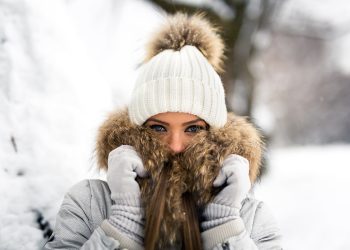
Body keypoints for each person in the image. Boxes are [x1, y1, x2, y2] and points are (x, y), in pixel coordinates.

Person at [44, 12, 282, 250]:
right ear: (136, 131)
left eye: (193, 129)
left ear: (215, 134)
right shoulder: (89, 204)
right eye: (158, 127)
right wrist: (122, 223)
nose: (176, 145)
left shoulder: (252, 220)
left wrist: (225, 227)